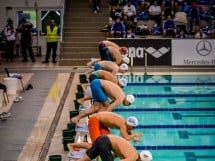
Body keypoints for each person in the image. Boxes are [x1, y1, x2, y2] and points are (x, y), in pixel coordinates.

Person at [68, 112, 143, 153]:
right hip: (94, 121)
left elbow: (128, 132)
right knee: (97, 145)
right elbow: (125, 137)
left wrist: (133, 138)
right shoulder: (122, 124)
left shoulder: (124, 122)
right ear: (129, 124)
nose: (132, 129)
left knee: (108, 142)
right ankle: (72, 145)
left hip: (101, 124)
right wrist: (134, 135)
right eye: (133, 127)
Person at [71, 79, 135, 124]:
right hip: (98, 85)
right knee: (105, 106)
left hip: (96, 83)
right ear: (128, 101)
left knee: (95, 108)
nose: (127, 105)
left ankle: (76, 118)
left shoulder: (121, 95)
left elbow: (109, 106)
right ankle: (94, 120)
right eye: (129, 104)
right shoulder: (120, 99)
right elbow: (109, 108)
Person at [75, 134, 153, 161]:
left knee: (86, 159)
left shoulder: (132, 151)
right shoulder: (133, 157)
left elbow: (116, 154)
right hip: (106, 143)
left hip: (102, 138)